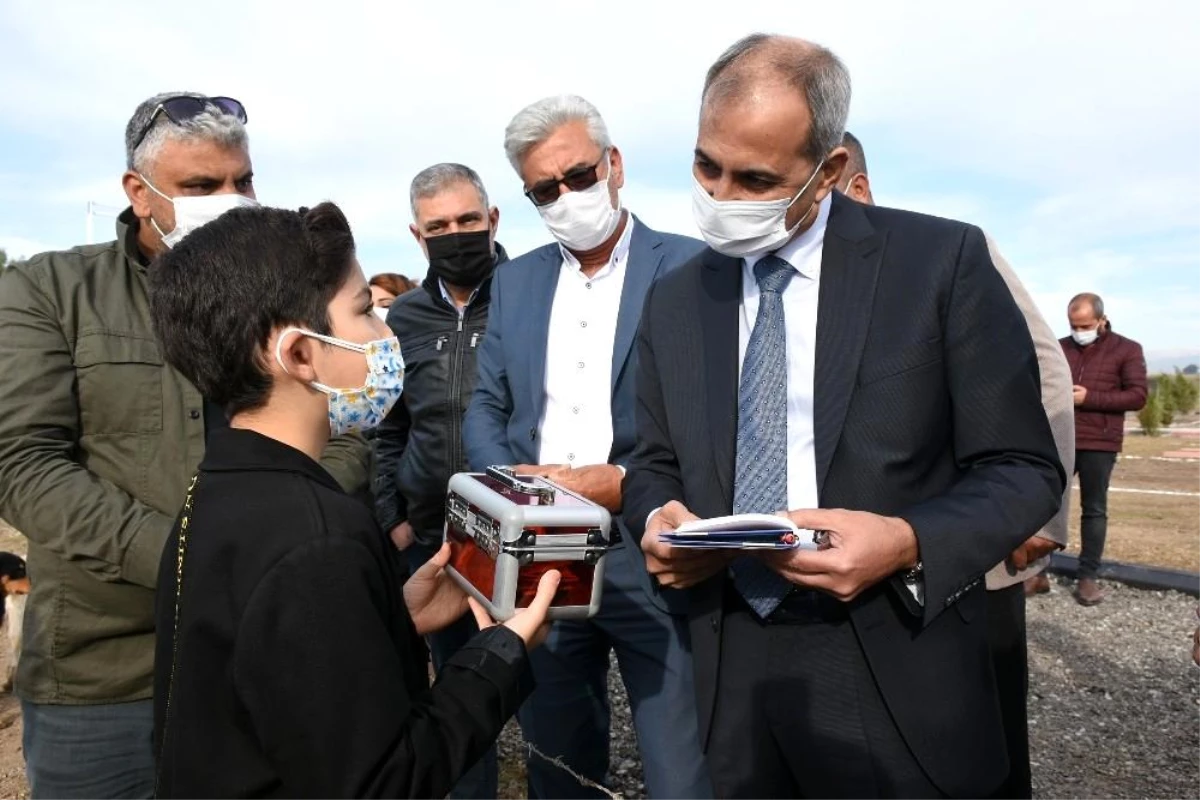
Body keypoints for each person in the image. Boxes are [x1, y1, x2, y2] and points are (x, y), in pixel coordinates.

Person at [624, 34, 1065, 799]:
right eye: (706, 166)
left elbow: (1023, 468)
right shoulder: (676, 297)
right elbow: (647, 456)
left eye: (756, 178)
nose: (722, 196)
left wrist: (907, 541)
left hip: (892, 645)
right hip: (733, 657)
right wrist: (655, 516)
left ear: (828, 171)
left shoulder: (939, 263)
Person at [0, 92, 371, 799]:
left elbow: (352, 427)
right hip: (108, 673)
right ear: (140, 193)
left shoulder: (285, 288)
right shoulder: (49, 290)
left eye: (243, 181)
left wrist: (293, 538)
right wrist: (195, 560)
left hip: (268, 652)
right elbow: (24, 465)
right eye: (202, 187)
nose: (231, 201)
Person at [147, 201, 559, 799]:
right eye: (364, 310)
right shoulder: (318, 534)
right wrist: (502, 651)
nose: (386, 334)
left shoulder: (220, 485)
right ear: (298, 354)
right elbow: (384, 782)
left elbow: (277, 671)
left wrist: (390, 617)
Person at [464, 95, 712, 800]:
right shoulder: (515, 281)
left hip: (650, 543)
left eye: (578, 175)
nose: (567, 196)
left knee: (680, 761)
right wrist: (508, 486)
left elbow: (712, 420)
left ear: (614, 165)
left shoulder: (692, 269)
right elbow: (489, 402)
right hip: (542, 550)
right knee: (557, 753)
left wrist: (627, 484)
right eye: (546, 188)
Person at [837, 132, 1075, 798]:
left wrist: (1035, 519)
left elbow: (1045, 376)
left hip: (974, 544)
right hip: (873, 552)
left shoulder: (945, 256)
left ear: (854, 185)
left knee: (986, 731)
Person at [374, 162, 510, 800]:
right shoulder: (400, 318)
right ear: (416, 234)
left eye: (467, 221)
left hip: (520, 534)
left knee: (550, 682)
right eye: (439, 226)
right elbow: (384, 427)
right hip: (434, 541)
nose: (455, 235)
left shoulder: (528, 297)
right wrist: (391, 517)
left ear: (493, 220)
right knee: (457, 689)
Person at [1060, 293, 1147, 605]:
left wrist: (1090, 398)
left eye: (1084, 324)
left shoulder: (1127, 349)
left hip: (1100, 441)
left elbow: (1137, 396)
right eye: (1073, 325)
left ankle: (1087, 577)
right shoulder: (1060, 348)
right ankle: (1037, 571)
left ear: (1100, 320)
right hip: (1061, 439)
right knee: (1046, 506)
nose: (1078, 330)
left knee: (1094, 509)